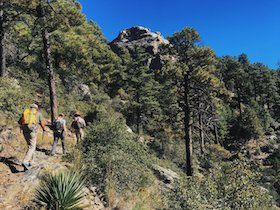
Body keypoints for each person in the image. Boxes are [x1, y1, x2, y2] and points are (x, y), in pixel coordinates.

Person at [18, 103, 45, 171]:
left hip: (25, 131)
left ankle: (31, 162)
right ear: (36, 108)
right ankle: (26, 161)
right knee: (32, 147)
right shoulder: (38, 113)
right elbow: (42, 123)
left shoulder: (26, 112)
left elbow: (19, 122)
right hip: (32, 132)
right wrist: (44, 129)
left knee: (30, 146)